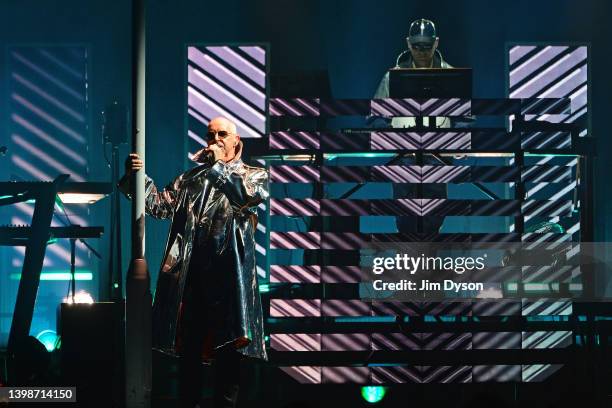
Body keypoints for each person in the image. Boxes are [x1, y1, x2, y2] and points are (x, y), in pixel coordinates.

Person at [120, 116, 268, 408]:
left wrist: (217, 168)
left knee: (228, 365)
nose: (215, 139)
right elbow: (159, 206)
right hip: (193, 283)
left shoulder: (253, 175)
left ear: (237, 141)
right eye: (210, 134)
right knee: (190, 361)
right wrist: (136, 178)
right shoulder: (190, 179)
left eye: (222, 134)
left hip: (229, 287)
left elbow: (244, 198)